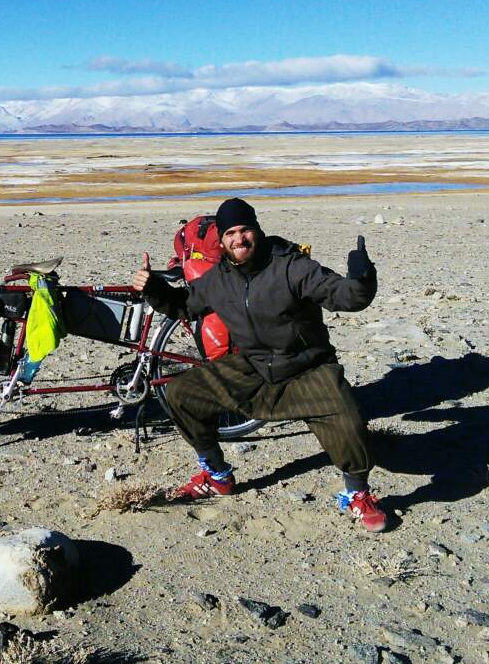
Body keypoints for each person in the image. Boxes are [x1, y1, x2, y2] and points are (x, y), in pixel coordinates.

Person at [133, 197, 387, 532]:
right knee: (181, 393)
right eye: (231, 234)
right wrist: (154, 288)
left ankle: (358, 495)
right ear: (221, 241)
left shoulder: (290, 265)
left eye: (245, 230)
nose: (239, 239)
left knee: (350, 424)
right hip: (255, 366)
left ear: (258, 231)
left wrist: (362, 278)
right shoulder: (219, 278)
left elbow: (344, 295)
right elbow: (186, 306)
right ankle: (217, 475)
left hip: (307, 368)